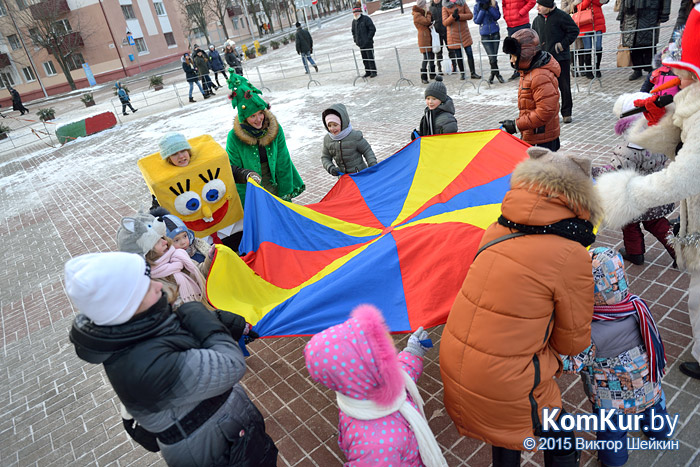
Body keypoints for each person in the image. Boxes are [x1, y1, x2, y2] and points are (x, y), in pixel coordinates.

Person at [440, 145, 602, 467]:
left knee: (507, 430)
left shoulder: (496, 228)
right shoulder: (571, 254)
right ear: (581, 199)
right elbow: (572, 343)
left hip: (456, 362)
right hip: (506, 377)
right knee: (560, 436)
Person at [66, 251, 276, 466]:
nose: (158, 286)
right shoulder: (148, 365)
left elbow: (175, 331)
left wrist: (226, 322)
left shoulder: (134, 329)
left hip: (226, 433)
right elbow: (231, 365)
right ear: (127, 305)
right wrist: (198, 314)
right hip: (214, 449)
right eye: (146, 287)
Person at [595, 4, 700, 380]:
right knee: (664, 233)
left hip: (676, 204)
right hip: (683, 211)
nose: (677, 83)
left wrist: (626, 194)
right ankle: (672, 251)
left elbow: (686, 172)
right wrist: (660, 119)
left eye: (684, 76)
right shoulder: (691, 104)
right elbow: (675, 145)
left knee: (698, 296)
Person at [559, 247, 670, 467]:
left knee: (612, 433)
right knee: (655, 410)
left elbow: (571, 364)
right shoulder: (635, 306)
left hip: (612, 400)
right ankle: (661, 434)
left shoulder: (588, 333)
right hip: (648, 384)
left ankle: (613, 461)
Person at [304, 304, 447, 467]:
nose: (391, 345)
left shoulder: (358, 392)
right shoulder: (377, 445)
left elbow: (401, 374)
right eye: (384, 357)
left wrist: (413, 351)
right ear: (368, 376)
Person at [592, 92, 676, 267]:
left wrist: (593, 171)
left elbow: (614, 171)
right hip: (654, 192)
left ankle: (635, 253)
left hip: (634, 197)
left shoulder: (627, 149)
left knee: (630, 225)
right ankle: (680, 253)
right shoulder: (659, 140)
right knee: (658, 224)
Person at [225, 74, 305, 207]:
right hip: (251, 189)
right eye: (252, 116)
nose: (258, 119)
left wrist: (285, 195)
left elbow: (283, 161)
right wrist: (247, 205)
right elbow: (234, 171)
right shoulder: (234, 137)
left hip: (275, 182)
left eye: (260, 113)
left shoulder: (275, 129)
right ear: (244, 118)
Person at [117, 211, 207, 309]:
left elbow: (199, 272)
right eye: (157, 242)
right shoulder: (152, 284)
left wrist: (210, 260)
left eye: (162, 237)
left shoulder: (177, 256)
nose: (165, 242)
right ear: (147, 252)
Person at [500, 28, 562, 151]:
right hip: (535, 135)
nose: (512, 60)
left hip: (542, 139)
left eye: (513, 56)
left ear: (525, 55)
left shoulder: (539, 76)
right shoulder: (529, 71)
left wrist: (516, 125)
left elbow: (545, 111)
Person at [532, 0, 579, 124]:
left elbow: (574, 31)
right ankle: (551, 114)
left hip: (561, 58)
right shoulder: (537, 21)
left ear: (547, 6)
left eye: (540, 5)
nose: (537, 8)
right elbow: (533, 38)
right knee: (547, 90)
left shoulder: (562, 16)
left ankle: (566, 113)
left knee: (564, 86)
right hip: (544, 60)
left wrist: (562, 45)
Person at [618, 0, 672, 81]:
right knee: (633, 42)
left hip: (650, 13)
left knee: (649, 43)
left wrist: (665, 12)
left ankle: (651, 68)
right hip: (631, 13)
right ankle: (637, 69)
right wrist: (621, 15)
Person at [321, 103, 377, 177]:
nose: (332, 128)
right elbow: (325, 157)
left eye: (335, 125)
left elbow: (367, 150)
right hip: (344, 177)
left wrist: (372, 164)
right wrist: (330, 167)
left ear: (342, 123)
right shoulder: (328, 140)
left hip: (360, 174)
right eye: (329, 125)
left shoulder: (354, 136)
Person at [442, 0, 481, 80]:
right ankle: (462, 74)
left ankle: (473, 73)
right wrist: (453, 16)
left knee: (469, 53)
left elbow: (470, 15)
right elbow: (445, 22)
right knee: (459, 56)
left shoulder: (462, 3)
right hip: (454, 35)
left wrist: (459, 16)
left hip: (464, 33)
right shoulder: (445, 6)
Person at [502, 0, 537, 80]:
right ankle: (517, 70)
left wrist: (521, 13)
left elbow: (532, 1)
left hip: (522, 23)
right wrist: (505, 15)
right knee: (512, 48)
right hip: (510, 25)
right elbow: (504, 5)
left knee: (524, 48)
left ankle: (527, 69)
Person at [474, 0, 505, 84]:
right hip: (485, 35)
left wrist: (490, 8)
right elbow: (477, 21)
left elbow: (497, 16)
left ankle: (493, 74)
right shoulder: (477, 6)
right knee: (491, 57)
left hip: (495, 33)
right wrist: (483, 10)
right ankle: (497, 74)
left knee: (494, 56)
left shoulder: (493, 3)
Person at [575, 0, 607, 79]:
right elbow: (580, 6)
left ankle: (597, 68)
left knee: (598, 47)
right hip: (585, 24)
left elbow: (600, 2)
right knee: (587, 48)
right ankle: (588, 70)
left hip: (598, 23)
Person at [352, 4, 377, 78]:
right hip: (360, 44)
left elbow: (372, 29)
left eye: (356, 12)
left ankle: (373, 72)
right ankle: (368, 72)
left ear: (360, 12)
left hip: (368, 43)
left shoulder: (366, 19)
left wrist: (368, 39)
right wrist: (355, 41)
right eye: (354, 13)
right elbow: (353, 32)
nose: (355, 14)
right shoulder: (354, 21)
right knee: (364, 58)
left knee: (370, 57)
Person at [413, 0, 436, 84]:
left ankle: (432, 74)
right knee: (426, 57)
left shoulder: (422, 13)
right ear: (422, 5)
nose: (426, 5)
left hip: (428, 36)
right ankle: (423, 77)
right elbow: (426, 21)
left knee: (431, 55)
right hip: (423, 38)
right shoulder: (417, 15)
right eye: (425, 4)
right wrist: (429, 14)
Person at [430, 0, 452, 74]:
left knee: (451, 49)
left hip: (447, 30)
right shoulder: (431, 8)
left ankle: (454, 66)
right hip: (437, 32)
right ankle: (440, 69)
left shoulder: (444, 5)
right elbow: (430, 20)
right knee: (439, 52)